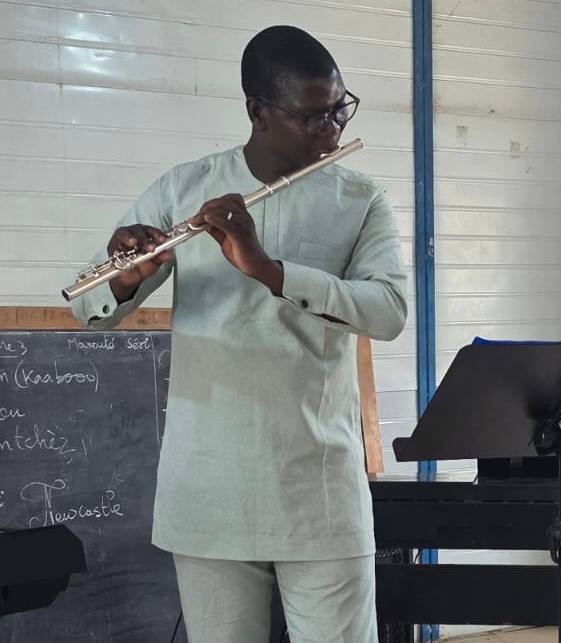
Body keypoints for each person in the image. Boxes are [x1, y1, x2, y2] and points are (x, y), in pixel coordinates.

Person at [71, 25, 407, 642]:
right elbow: (88, 308)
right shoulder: (183, 189)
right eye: (314, 116)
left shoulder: (361, 198)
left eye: (340, 109)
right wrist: (127, 278)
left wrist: (273, 273)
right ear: (258, 111)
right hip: (210, 490)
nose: (332, 128)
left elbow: (388, 311)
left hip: (319, 489)